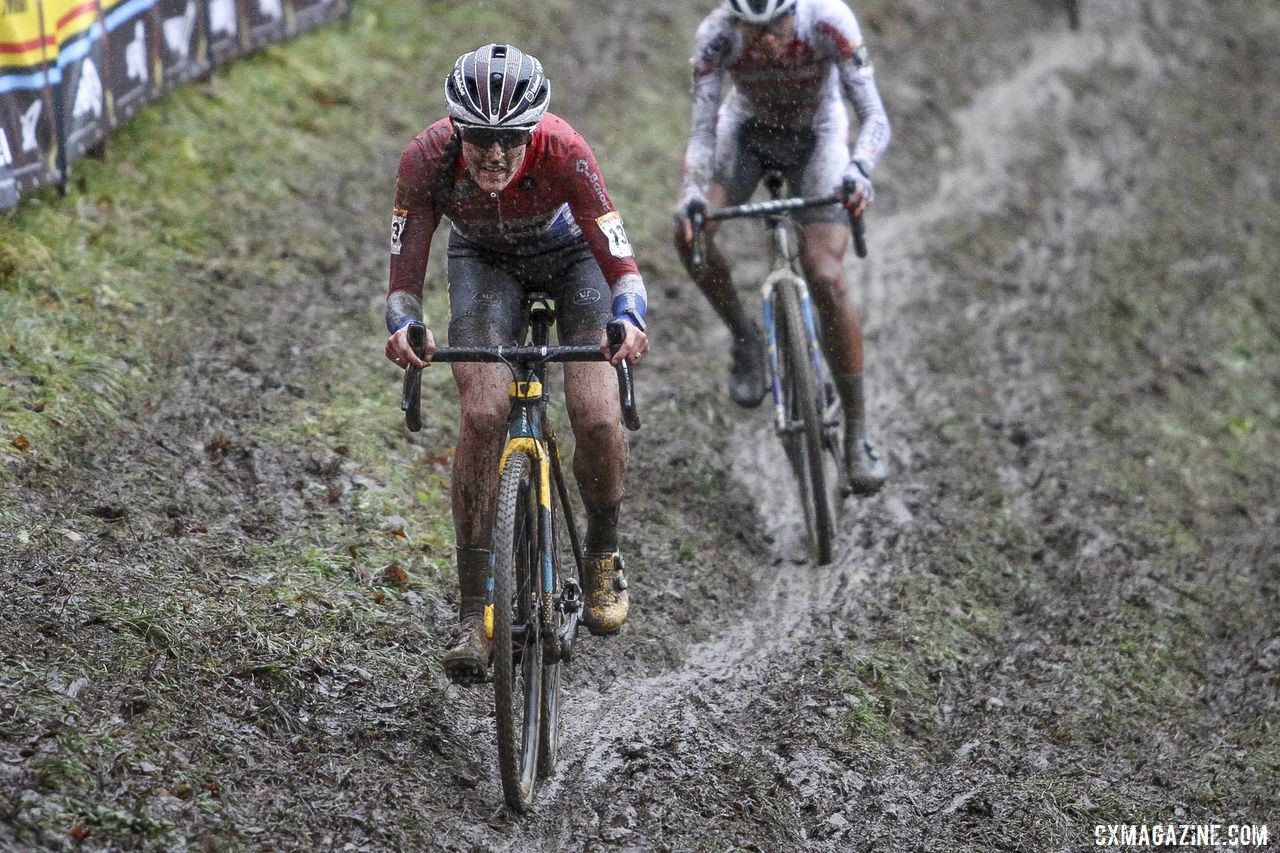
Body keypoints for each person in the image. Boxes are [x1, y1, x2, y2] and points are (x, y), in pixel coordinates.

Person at [383, 44, 650, 683]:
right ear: (456, 129)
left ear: (532, 131)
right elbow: (403, 281)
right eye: (479, 138)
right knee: (482, 413)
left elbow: (621, 262)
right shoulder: (426, 160)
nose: (494, 155)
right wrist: (402, 324)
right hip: (483, 265)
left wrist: (630, 317)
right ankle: (475, 611)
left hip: (572, 262)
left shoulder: (566, 151)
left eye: (510, 139)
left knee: (596, 416)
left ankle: (602, 550)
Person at [672, 0, 890, 494]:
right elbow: (704, 131)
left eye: (776, 25)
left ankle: (857, 435)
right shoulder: (716, 34)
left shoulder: (830, 20)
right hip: (748, 132)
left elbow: (874, 114)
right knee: (688, 234)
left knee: (825, 273)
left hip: (819, 134)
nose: (766, 39)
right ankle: (746, 338)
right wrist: (691, 195)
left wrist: (859, 170)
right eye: (754, 29)